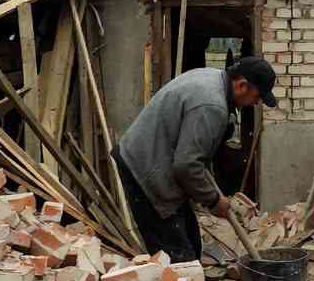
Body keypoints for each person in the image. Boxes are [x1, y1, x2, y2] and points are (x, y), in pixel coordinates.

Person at [112, 57, 278, 262]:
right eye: (258, 96)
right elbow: (187, 165)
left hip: (160, 158)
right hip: (145, 168)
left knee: (191, 240)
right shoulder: (212, 105)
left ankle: (190, 275)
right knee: (177, 257)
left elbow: (193, 157)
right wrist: (213, 200)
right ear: (242, 85)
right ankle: (177, 280)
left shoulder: (214, 78)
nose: (257, 102)